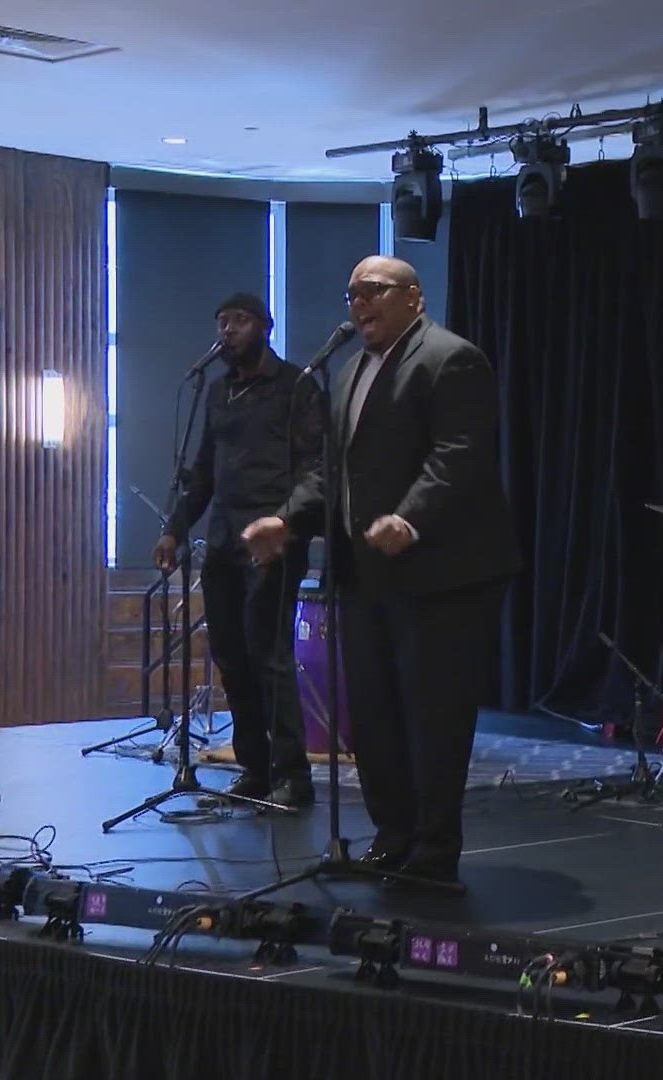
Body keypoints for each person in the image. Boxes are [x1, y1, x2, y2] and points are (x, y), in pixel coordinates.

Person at [243, 256, 522, 890]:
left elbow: (460, 455)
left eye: (372, 291)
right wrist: (288, 522)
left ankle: (433, 847)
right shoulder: (349, 371)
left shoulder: (452, 358)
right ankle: (392, 835)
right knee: (372, 715)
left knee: (433, 716)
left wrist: (409, 517)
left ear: (413, 298)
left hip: (442, 577)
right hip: (365, 574)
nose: (358, 304)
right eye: (351, 295)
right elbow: (328, 469)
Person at [156, 292, 323, 807]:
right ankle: (254, 767)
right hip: (224, 541)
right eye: (222, 321)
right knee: (230, 654)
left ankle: (294, 775)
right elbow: (202, 469)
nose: (228, 330)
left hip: (272, 539)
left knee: (268, 654)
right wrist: (175, 529)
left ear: (265, 327)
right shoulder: (218, 391)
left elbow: (317, 467)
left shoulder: (296, 386)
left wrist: (287, 521)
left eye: (240, 320)